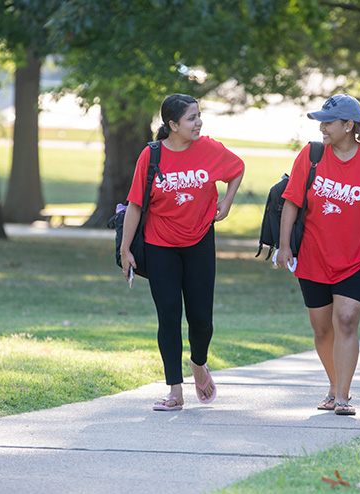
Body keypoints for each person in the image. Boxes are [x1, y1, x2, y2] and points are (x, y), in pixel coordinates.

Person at [276, 94, 360, 416]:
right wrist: (284, 246)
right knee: (322, 330)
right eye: (321, 121)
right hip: (313, 256)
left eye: (328, 122)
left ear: (349, 126)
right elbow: (291, 201)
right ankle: (334, 386)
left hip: (357, 260)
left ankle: (343, 397)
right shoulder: (312, 155)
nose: (322, 128)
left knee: (345, 321)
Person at [120, 94, 245, 411]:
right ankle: (175, 391)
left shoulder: (210, 149)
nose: (198, 122)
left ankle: (199, 363)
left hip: (200, 241)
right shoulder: (152, 155)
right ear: (172, 125)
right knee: (169, 314)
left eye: (199, 115)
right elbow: (136, 204)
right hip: (160, 245)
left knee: (201, 318)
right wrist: (125, 250)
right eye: (191, 118)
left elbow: (237, 169)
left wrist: (227, 201)